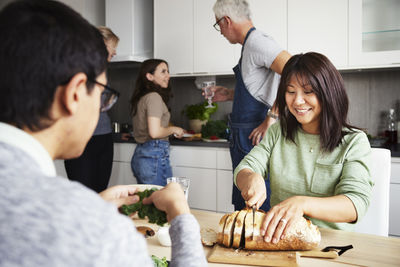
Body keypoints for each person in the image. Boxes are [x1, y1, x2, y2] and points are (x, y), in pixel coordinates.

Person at [0, 1, 207, 266]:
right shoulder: (99, 233)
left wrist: (90, 206)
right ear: (74, 94)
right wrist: (180, 216)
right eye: (103, 95)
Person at [234, 52, 373, 244]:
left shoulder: (354, 141)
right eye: (291, 92)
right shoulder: (278, 132)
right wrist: (251, 178)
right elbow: (245, 168)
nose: (297, 101)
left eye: (308, 92)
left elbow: (355, 204)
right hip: (280, 240)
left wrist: (303, 203)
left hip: (331, 246)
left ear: (328, 92)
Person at [210, 0, 292, 212]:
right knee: (245, 205)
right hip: (244, 137)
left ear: (226, 21)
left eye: (218, 25)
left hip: (252, 137)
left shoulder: (257, 42)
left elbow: (294, 70)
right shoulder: (249, 46)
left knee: (256, 205)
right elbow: (258, 88)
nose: (220, 32)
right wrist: (228, 94)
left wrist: (271, 118)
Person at [64, 26, 119, 193]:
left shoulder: (102, 71)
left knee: (100, 192)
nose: (115, 52)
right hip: (82, 139)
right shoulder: (75, 69)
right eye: (112, 46)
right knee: (83, 193)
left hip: (103, 137)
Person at [129, 59, 185, 186]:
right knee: (161, 202)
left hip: (144, 154)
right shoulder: (154, 97)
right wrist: (174, 129)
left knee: (151, 201)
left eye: (168, 71)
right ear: (149, 76)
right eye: (163, 72)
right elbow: (154, 132)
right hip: (153, 155)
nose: (168, 76)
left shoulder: (143, 97)